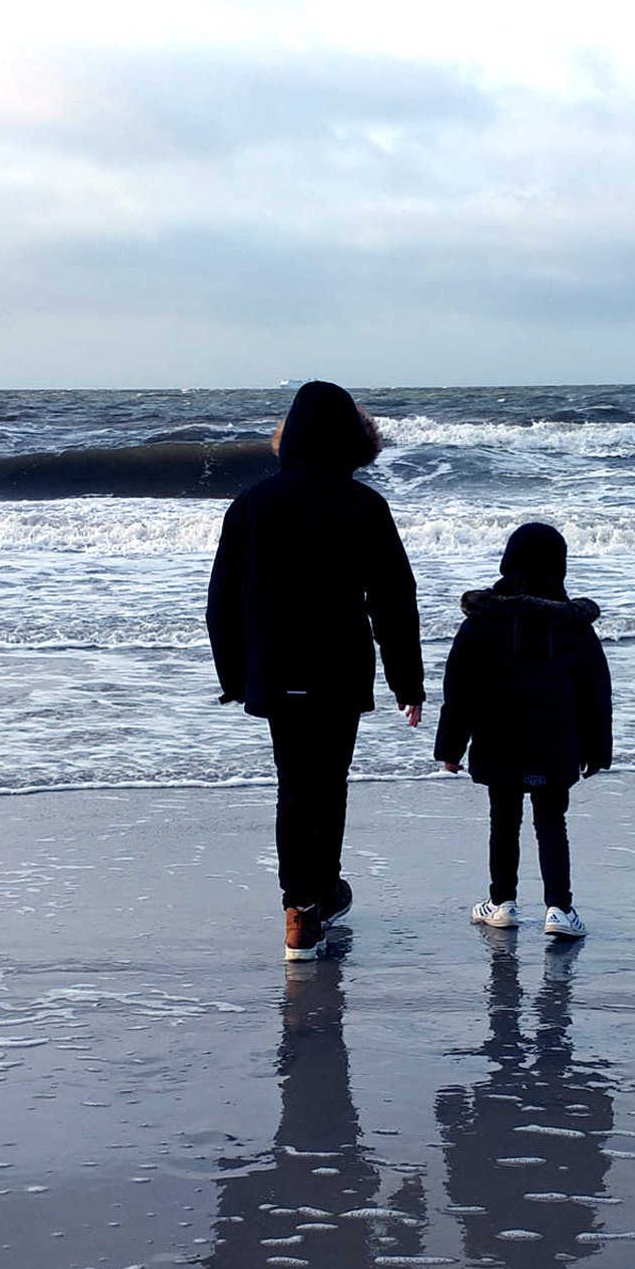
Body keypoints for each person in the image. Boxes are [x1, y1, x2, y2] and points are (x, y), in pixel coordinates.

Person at [207, 380, 424, 961]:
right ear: (355, 440)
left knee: (293, 788)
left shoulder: (251, 504)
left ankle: (300, 911)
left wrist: (234, 676)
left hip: (276, 672)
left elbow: (221, 600)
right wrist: (409, 684)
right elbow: (394, 601)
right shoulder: (364, 506)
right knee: (327, 786)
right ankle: (320, 897)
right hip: (338, 670)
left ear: (290, 437)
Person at [432, 521, 612, 938]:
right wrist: (597, 748)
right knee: (552, 820)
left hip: (499, 739)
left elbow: (459, 686)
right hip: (557, 740)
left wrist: (451, 747)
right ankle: (560, 909)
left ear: (507, 563)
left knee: (503, 818)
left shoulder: (483, 620)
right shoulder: (574, 625)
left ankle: (502, 903)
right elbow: (596, 691)